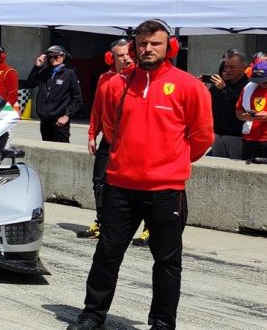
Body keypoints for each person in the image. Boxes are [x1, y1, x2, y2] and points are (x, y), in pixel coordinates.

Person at [70, 19, 213, 330]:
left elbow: (202, 137)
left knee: (167, 261)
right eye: (142, 43)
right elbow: (109, 128)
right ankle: (93, 314)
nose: (148, 48)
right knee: (107, 254)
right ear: (133, 46)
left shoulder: (190, 87)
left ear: (169, 47)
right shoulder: (115, 85)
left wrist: (169, 162)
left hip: (165, 189)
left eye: (155, 43)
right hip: (120, 186)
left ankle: (163, 323)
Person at [82, 39, 134, 241]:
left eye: (128, 54)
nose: (126, 58)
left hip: (129, 142)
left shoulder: (137, 77)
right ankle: (102, 222)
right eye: (120, 55)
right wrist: (92, 134)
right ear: (111, 57)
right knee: (99, 182)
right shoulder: (105, 78)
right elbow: (97, 108)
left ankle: (147, 227)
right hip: (108, 140)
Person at [25, 45, 82, 142]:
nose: (52, 59)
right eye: (50, 57)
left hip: (59, 121)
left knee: (62, 150)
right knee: (47, 149)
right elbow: (30, 84)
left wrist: (67, 115)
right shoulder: (45, 71)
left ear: (63, 56)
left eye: (55, 56)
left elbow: (77, 98)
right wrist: (37, 66)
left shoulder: (70, 73)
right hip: (45, 120)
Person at [203, 49, 247, 159]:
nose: (228, 70)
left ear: (243, 68)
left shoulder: (249, 85)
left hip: (236, 135)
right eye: (226, 67)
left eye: (232, 67)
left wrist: (224, 88)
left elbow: (240, 104)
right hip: (217, 133)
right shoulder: (221, 83)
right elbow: (207, 101)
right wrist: (201, 88)